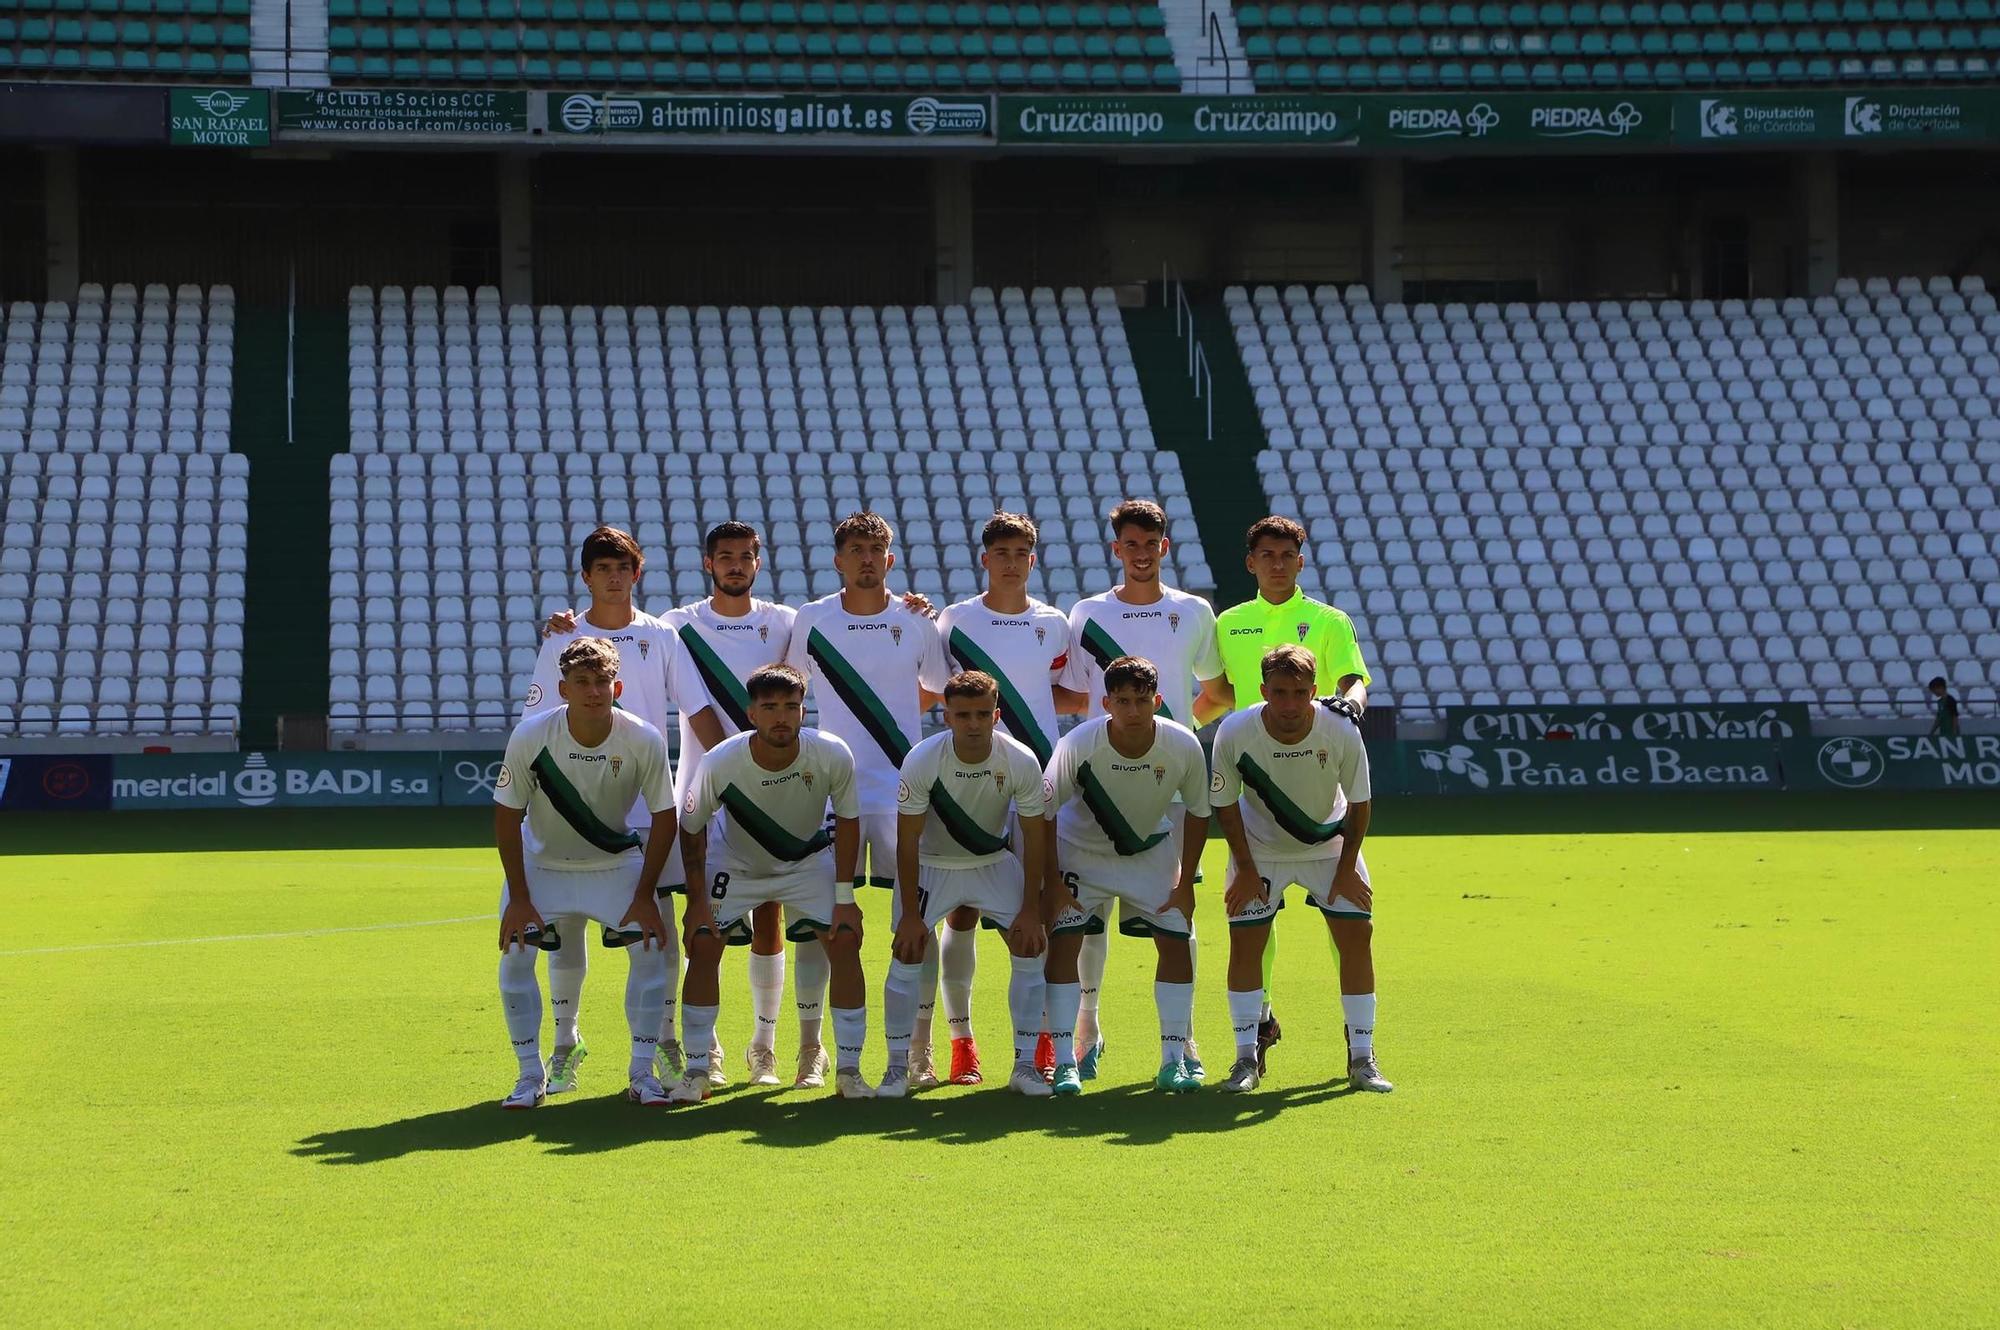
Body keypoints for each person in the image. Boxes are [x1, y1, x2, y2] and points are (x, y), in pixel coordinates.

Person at [1198, 514, 1373, 1076]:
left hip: (1315, 768)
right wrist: (1174, 723)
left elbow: (1352, 680)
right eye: (1266, 555)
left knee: (1346, 931)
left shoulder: (1327, 620)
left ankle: (1359, 1045)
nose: (1277, 563)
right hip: (1256, 784)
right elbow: (1218, 693)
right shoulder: (1229, 622)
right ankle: (1259, 1026)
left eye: (1287, 555)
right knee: (1254, 932)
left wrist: (1353, 706)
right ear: (1251, 563)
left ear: (1301, 560)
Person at [1056, 499, 1224, 1081]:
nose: (1141, 553)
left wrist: (1178, 734)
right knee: (1088, 917)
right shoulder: (1087, 613)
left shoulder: (1194, 611)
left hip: (1169, 790)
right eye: (1131, 544)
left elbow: (1218, 691)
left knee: (1177, 912)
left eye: (1151, 544)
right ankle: (1086, 1030)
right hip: (1102, 785)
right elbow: (1079, 699)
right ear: (1117, 549)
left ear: (1164, 547)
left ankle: (1185, 1043)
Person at [784, 511, 950, 1086]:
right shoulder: (812, 619)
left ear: (891, 558)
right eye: (855, 549)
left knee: (915, 921)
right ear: (838, 560)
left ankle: (919, 1052)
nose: (865, 558)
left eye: (875, 549)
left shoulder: (915, 620)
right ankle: (811, 1051)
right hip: (832, 795)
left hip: (905, 791)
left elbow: (936, 689)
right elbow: (787, 686)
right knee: (822, 922)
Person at [519, 526, 683, 1097]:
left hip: (647, 802)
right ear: (586, 576)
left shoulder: (661, 634)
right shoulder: (563, 636)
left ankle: (662, 1040)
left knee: (657, 929)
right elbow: (532, 723)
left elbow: (698, 706)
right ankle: (566, 1044)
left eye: (623, 568)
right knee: (564, 929)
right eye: (602, 568)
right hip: (575, 809)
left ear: (637, 575)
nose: (613, 577)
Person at [931, 511, 1086, 1085]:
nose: (1011, 561)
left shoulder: (1054, 623)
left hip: (1040, 777)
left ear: (1033, 558)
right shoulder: (954, 621)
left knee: (1041, 905)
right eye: (1001, 552)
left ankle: (1043, 1041)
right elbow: (936, 690)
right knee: (964, 908)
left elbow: (1066, 693)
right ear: (984, 559)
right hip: (970, 779)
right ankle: (961, 1041)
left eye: (1021, 552)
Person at [674, 664, 873, 1101]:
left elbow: (849, 822)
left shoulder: (832, 753)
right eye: (769, 708)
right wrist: (696, 905)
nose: (781, 717)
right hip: (737, 865)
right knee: (704, 941)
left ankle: (846, 1068)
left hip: (805, 862)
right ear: (751, 714)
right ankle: (698, 1068)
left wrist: (845, 898)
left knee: (843, 939)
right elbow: (691, 830)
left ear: (804, 711)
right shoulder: (720, 760)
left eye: (791, 707)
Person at [494, 637, 678, 1109]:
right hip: (542, 868)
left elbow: (664, 817)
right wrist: (518, 897)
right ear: (563, 688)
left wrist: (644, 895)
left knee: (652, 949)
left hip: (614, 863)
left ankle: (641, 1072)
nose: (593, 691)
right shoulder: (531, 736)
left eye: (601, 682)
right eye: (582, 682)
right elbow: (505, 815)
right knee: (515, 956)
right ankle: (529, 1075)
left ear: (616, 686)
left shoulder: (643, 738)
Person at [1209, 645, 1389, 1094]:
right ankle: (1245, 1058)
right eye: (1280, 693)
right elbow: (1225, 806)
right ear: (1264, 690)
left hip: (1330, 846)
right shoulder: (1234, 731)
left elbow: (1361, 804)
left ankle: (1362, 1056)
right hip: (1259, 850)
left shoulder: (1341, 730)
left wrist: (1347, 868)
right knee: (1245, 944)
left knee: (1356, 937)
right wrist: (1246, 870)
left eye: (1300, 693)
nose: (1290, 704)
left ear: (1314, 690)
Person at [1042, 655, 1212, 1096]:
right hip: (1081, 854)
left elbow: (1197, 813)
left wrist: (1186, 882)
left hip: (1150, 852)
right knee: (1064, 945)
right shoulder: (1078, 744)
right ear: (1105, 703)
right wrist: (1054, 883)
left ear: (1157, 700)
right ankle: (1066, 1062)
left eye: (1141, 701)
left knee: (1177, 942)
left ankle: (1174, 1058)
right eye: (1122, 701)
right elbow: (1041, 814)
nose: (1132, 711)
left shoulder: (1183, 745)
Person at [884, 670, 1053, 1098]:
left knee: (1032, 948)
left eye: (982, 714)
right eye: (963, 715)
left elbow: (1034, 836)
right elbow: (907, 841)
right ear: (947, 716)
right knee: (905, 955)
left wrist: (1032, 908)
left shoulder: (1020, 759)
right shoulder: (922, 759)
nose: (973, 723)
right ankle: (896, 1068)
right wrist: (908, 914)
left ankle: (1025, 1065)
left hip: (992, 863)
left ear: (997, 715)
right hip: (931, 866)